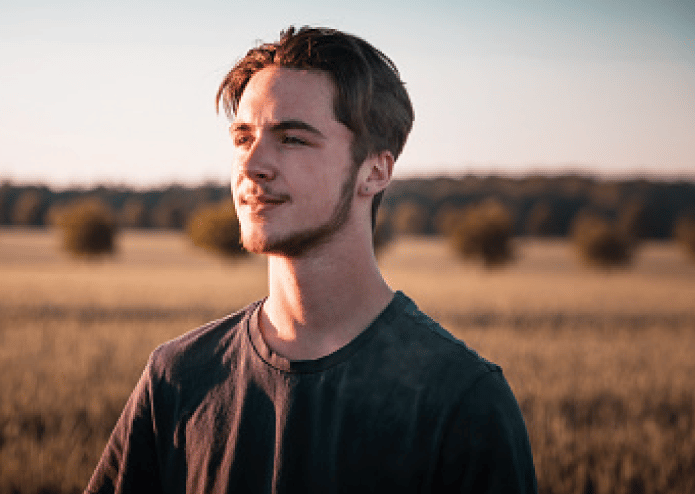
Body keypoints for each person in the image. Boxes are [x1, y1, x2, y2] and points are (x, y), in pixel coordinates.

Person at [85, 26, 537, 494]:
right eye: (242, 138)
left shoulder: (461, 399)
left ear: (375, 171)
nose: (252, 164)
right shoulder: (177, 378)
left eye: (293, 139)